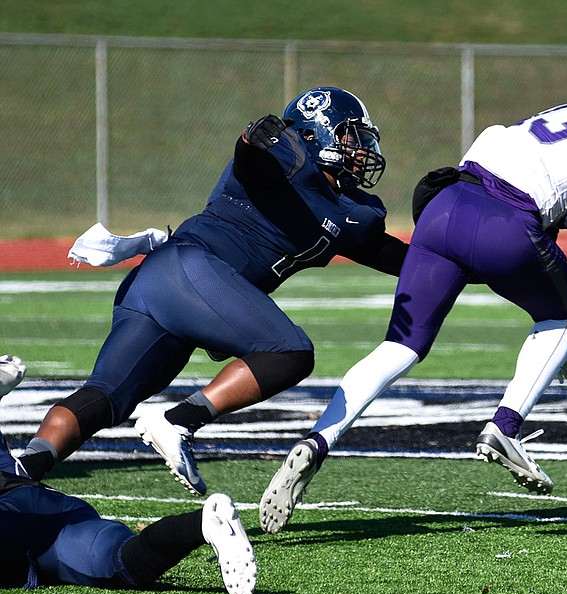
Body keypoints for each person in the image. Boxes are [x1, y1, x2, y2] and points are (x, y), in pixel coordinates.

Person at [259, 87, 567, 533]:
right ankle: (505, 427)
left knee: (399, 346)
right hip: (503, 218)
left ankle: (318, 441)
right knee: (566, 312)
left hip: (444, 207)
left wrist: (553, 351)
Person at [15, 87, 408, 497]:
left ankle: (23, 468)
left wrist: (467, 247)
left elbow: (410, 263)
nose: (363, 148)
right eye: (352, 136)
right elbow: (253, 163)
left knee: (103, 398)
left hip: (160, 284)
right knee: (288, 352)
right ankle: (178, 421)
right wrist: (249, 141)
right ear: (315, 134)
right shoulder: (287, 159)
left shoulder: (353, 214)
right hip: (189, 270)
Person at [0, 356, 257, 594]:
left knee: (122, 562)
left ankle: (204, 523)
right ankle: (204, 523)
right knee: (123, 558)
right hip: (51, 512)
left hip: (19, 528)